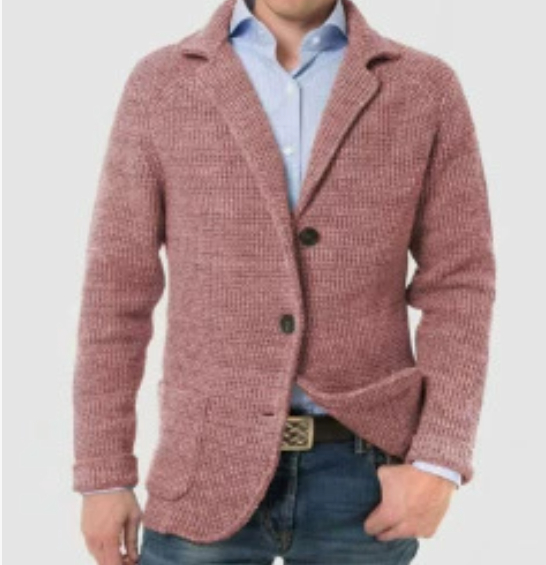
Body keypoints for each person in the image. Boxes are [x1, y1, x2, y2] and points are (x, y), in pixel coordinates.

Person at [72, 0, 496, 563]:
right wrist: (104, 473)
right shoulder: (163, 83)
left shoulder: (423, 88)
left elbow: (460, 281)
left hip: (365, 474)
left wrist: (439, 459)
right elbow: (116, 289)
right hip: (202, 468)